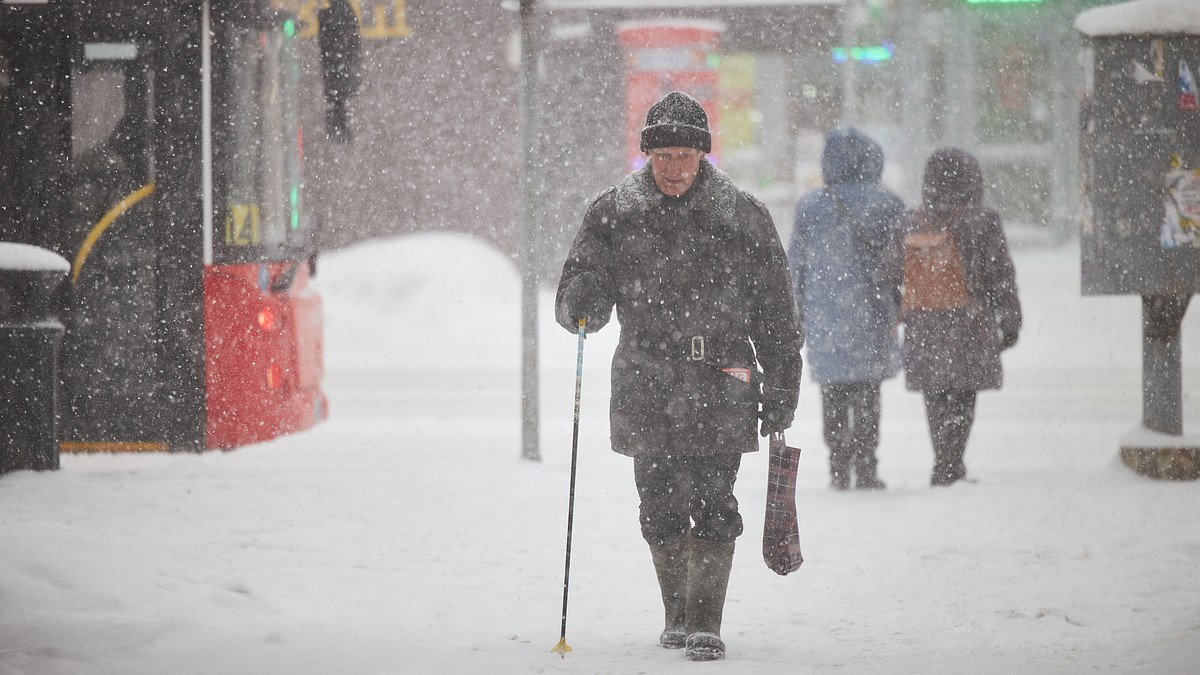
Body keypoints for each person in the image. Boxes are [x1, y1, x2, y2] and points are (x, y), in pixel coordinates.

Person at [554, 91, 803, 662]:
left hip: (723, 376)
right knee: (659, 503)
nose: (672, 168)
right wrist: (581, 302)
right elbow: (578, 285)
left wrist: (783, 379)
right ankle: (677, 612)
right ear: (648, 155)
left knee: (716, 498)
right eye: (662, 156)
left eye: (683, 156)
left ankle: (705, 620)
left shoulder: (742, 216)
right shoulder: (613, 213)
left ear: (702, 156)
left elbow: (775, 312)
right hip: (648, 378)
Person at [787, 127, 906, 491]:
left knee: (833, 392)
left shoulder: (811, 205)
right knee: (869, 392)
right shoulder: (887, 203)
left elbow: (796, 266)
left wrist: (796, 311)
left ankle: (838, 466)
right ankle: (867, 465)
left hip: (825, 315)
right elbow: (902, 261)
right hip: (872, 312)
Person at [900, 148, 1022, 486]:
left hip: (923, 324)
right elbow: (1001, 276)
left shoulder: (912, 221)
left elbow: (888, 270)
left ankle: (944, 460)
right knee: (963, 395)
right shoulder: (982, 221)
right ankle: (952, 463)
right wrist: (1010, 319)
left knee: (935, 395)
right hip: (969, 322)